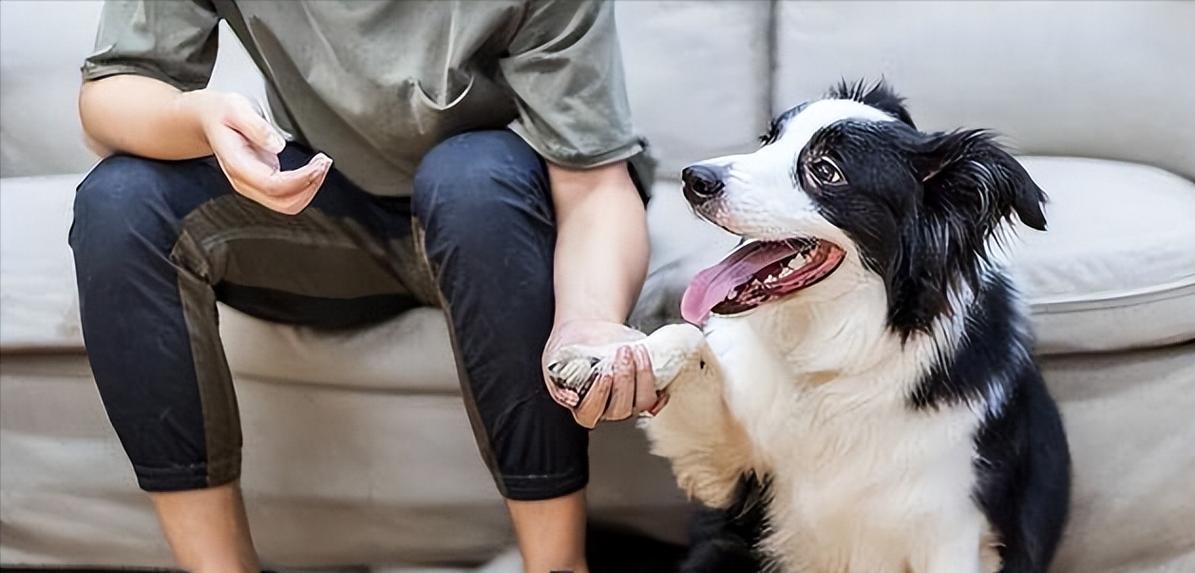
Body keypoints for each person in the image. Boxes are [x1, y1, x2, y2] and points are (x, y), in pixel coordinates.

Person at [71, 1, 662, 571]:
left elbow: (594, 184)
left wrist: (586, 319)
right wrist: (198, 119)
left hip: (501, 220)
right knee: (119, 202)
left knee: (470, 176)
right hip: (331, 217)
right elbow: (113, 90)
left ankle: (557, 564)